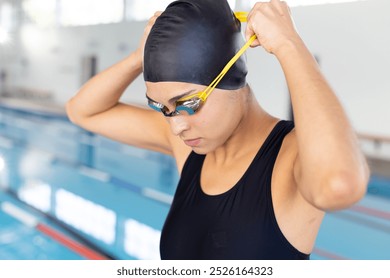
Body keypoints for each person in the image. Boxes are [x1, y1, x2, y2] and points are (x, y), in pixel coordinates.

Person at [66, 0, 369, 260]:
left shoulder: (290, 157)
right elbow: (82, 111)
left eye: (188, 103)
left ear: (232, 78)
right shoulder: (190, 146)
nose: (177, 126)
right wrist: (139, 58)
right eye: (162, 108)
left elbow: (339, 186)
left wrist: (289, 45)